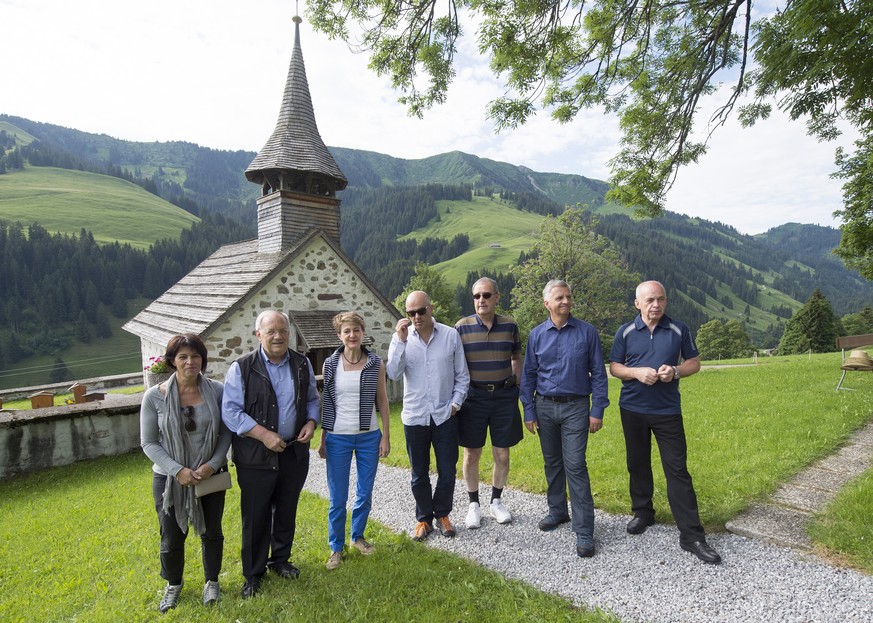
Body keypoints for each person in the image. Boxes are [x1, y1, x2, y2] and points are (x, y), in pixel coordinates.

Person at [609, 280, 721, 564]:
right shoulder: (625, 331)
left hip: (667, 411)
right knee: (637, 463)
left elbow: (694, 362)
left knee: (677, 471)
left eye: (660, 299)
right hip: (632, 409)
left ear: (666, 301)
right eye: (649, 300)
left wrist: (675, 371)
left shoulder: (678, 329)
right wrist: (635, 373)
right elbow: (615, 367)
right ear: (637, 303)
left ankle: (692, 536)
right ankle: (643, 513)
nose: (655, 305)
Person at [222, 310, 320, 598]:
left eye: (283, 331)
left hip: (293, 453)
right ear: (258, 335)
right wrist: (263, 435)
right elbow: (230, 411)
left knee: (286, 509)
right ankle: (253, 574)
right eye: (271, 331)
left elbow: (313, 400)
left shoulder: (301, 364)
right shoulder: (241, 368)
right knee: (256, 515)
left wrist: (311, 423)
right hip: (255, 456)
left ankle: (280, 560)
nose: (278, 336)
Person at [140, 333, 232, 613]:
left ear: (202, 359)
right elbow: (148, 442)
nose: (190, 361)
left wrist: (212, 464)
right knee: (171, 534)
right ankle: (173, 584)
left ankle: (212, 581)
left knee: (212, 531)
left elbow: (227, 431)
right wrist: (177, 470)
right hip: (169, 479)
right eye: (183, 356)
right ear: (172, 361)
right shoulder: (154, 397)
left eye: (195, 356)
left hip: (210, 473)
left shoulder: (217, 390)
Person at [520, 279, 609, 558]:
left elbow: (599, 374)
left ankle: (584, 529)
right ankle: (558, 511)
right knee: (552, 463)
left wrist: (597, 410)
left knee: (575, 465)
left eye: (568, 296)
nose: (566, 301)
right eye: (559, 297)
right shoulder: (536, 335)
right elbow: (529, 375)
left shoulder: (587, 332)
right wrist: (529, 410)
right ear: (547, 303)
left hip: (576, 407)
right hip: (544, 406)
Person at [387, 290, 470, 541]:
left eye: (420, 311)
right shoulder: (401, 338)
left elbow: (462, 376)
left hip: (445, 415)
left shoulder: (450, 335)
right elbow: (392, 372)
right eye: (410, 313)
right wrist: (400, 342)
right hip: (415, 417)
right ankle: (424, 519)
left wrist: (455, 406)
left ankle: (443, 514)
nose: (416, 317)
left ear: (431, 309)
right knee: (418, 473)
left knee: (447, 470)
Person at [317, 311, 391, 571]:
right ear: (339, 335)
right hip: (338, 437)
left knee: (365, 492)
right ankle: (336, 548)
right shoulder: (330, 364)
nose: (352, 335)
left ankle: (357, 537)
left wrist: (385, 437)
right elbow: (326, 402)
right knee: (338, 497)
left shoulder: (375, 363)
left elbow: (382, 401)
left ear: (363, 333)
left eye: (356, 330)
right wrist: (323, 438)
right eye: (346, 331)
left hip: (369, 437)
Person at [455, 277, 523, 528]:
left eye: (486, 295)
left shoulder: (510, 326)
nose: (481, 300)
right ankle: (474, 504)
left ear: (497, 297)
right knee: (471, 453)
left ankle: (496, 501)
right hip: (474, 397)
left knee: (502, 453)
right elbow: (455, 364)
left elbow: (517, 357)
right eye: (476, 296)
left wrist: (517, 386)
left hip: (504, 396)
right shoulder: (461, 327)